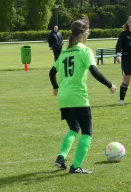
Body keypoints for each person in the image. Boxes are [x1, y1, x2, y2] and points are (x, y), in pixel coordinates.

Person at [49, 19, 117, 174]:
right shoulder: (85, 51)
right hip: (78, 97)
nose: (89, 33)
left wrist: (55, 87)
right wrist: (110, 85)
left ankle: (61, 157)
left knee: (74, 128)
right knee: (87, 132)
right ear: (83, 32)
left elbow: (52, 72)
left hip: (64, 98)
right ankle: (76, 166)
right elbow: (94, 71)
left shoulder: (65, 51)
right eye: (88, 30)